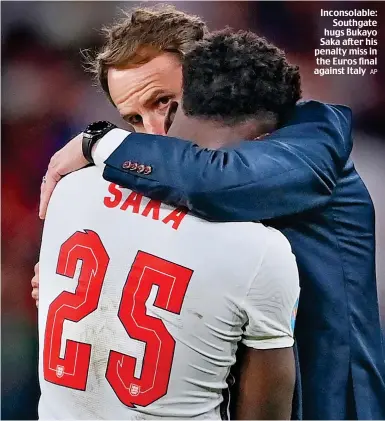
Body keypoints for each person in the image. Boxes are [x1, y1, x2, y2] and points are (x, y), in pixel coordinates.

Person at [33, 5, 385, 420]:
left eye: (164, 102)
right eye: (132, 119)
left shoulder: (314, 135)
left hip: (328, 401)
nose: (153, 133)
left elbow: (223, 181)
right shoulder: (164, 176)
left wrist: (101, 143)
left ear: (203, 78)